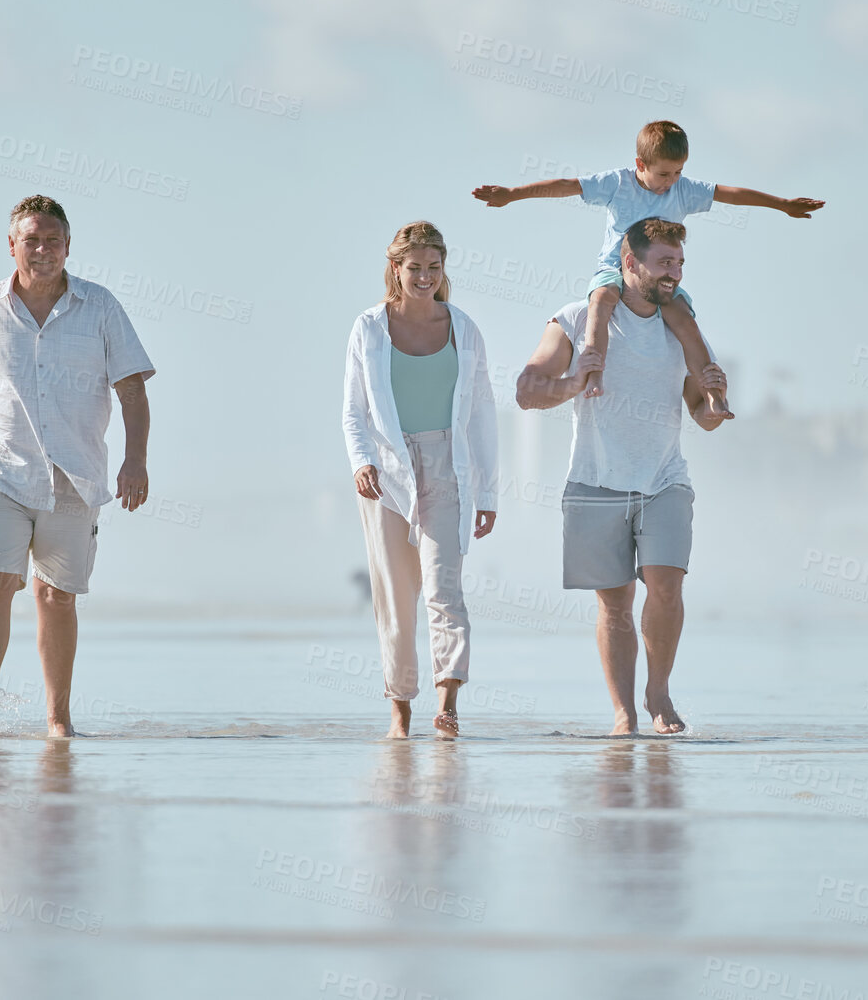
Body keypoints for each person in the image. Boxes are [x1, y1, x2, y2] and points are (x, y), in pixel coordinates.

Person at [0, 195, 155, 738]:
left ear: (69, 246)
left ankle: (58, 719)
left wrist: (136, 459)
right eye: (32, 240)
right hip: (0, 472)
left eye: (53, 240)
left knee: (56, 596)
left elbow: (132, 392)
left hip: (75, 475)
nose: (43, 250)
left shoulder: (100, 307)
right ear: (12, 246)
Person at [514, 217, 730, 735]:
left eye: (679, 263)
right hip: (594, 479)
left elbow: (702, 414)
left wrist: (715, 406)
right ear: (630, 262)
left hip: (665, 479)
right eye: (664, 263)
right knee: (614, 605)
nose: (674, 274)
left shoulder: (681, 328)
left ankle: (659, 695)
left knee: (667, 587)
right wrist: (573, 382)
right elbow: (527, 390)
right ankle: (623, 712)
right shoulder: (574, 319)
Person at [473, 119, 822, 418]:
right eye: (664, 174)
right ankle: (594, 373)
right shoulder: (618, 183)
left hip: (659, 280)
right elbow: (566, 186)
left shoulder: (682, 190)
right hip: (614, 269)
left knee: (684, 317)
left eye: (679, 172)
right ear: (640, 164)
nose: (672, 181)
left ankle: (713, 396)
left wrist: (782, 205)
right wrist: (512, 194)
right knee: (601, 302)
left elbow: (730, 194)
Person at [342, 221, 500, 740]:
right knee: (395, 595)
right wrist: (362, 461)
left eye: (434, 268)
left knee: (444, 590)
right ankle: (400, 711)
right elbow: (353, 411)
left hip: (448, 467)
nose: (426, 277)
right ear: (396, 269)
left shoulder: (464, 328)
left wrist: (489, 492)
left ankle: (448, 703)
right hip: (387, 474)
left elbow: (481, 413)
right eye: (415, 269)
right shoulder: (368, 328)